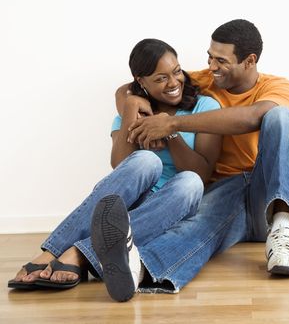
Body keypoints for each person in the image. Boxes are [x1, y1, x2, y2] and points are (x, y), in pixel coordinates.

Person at [8, 39, 222, 301]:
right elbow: (120, 165)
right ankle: (53, 250)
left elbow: (202, 172)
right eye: (161, 78)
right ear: (141, 81)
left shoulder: (204, 107)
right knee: (146, 161)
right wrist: (131, 108)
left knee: (190, 182)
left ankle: (78, 253)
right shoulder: (130, 110)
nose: (174, 82)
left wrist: (170, 129)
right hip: (129, 205)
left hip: (172, 205)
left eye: (177, 71)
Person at [105, 18, 289, 300]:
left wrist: (172, 126)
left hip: (263, 195)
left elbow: (251, 117)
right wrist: (130, 102)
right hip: (220, 191)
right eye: (209, 57)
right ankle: (141, 268)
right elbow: (134, 87)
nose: (211, 67)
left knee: (281, 116)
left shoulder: (280, 87)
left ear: (249, 61)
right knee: (202, 223)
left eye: (221, 60)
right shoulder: (205, 79)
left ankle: (283, 229)